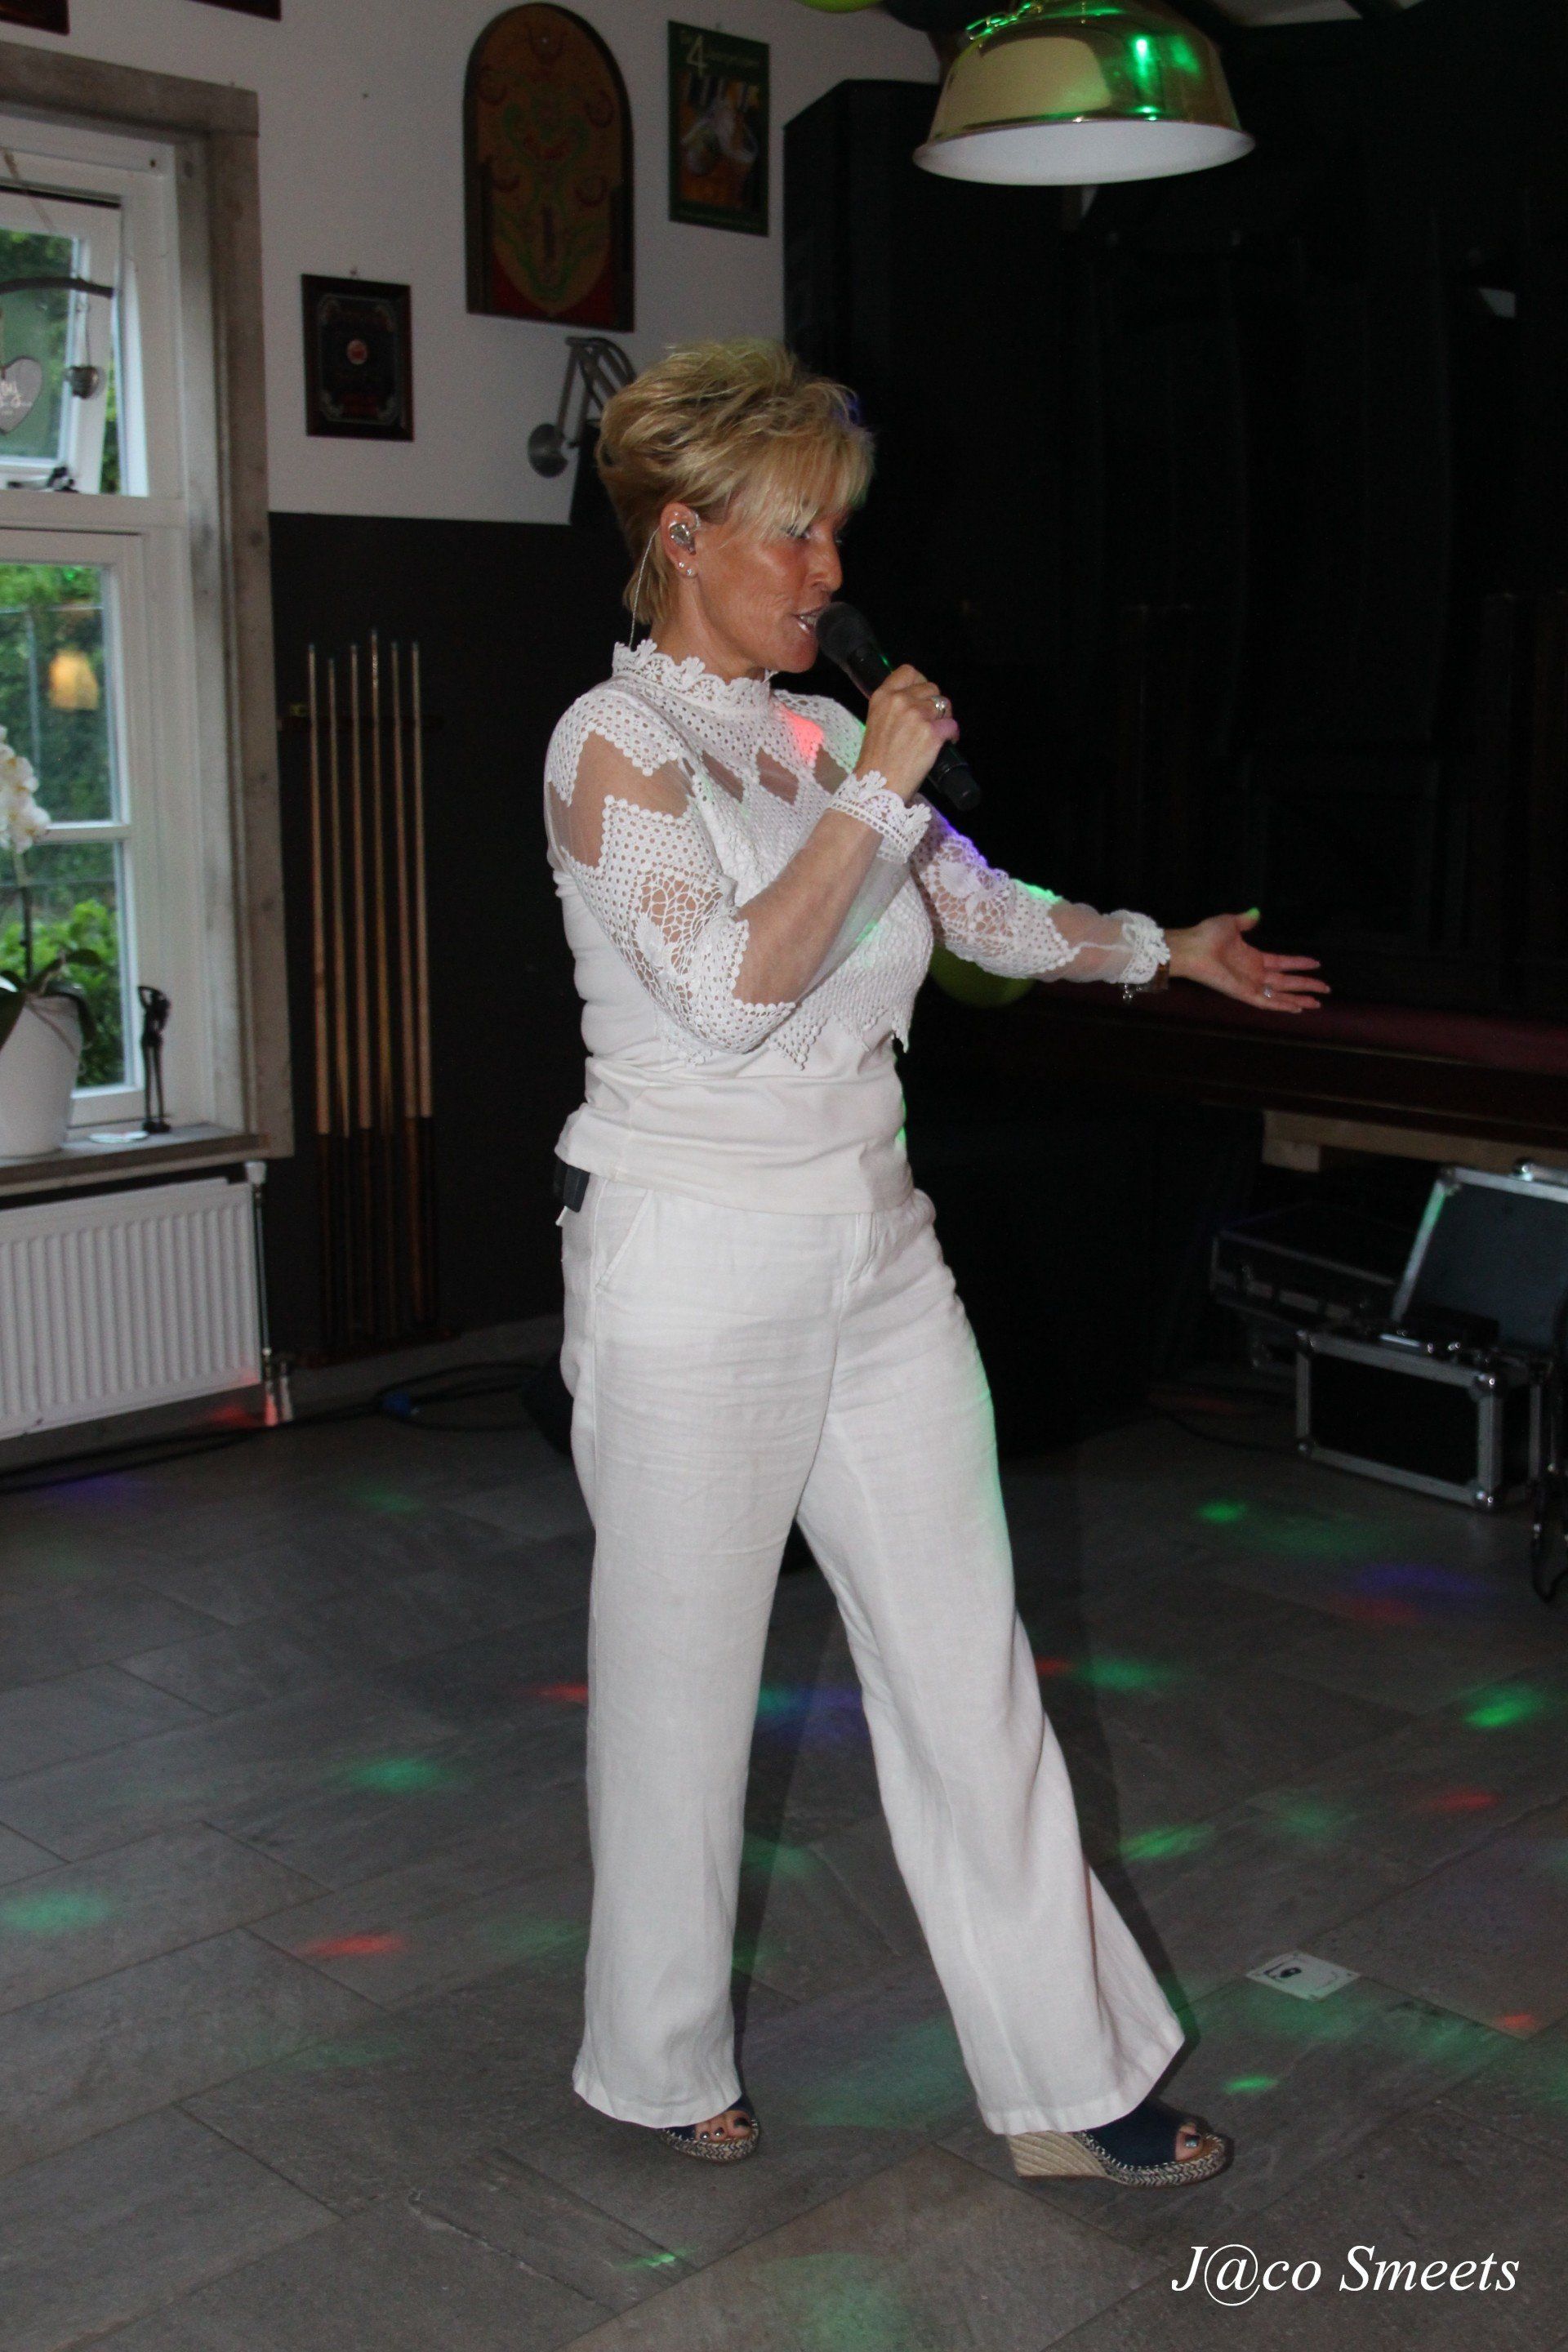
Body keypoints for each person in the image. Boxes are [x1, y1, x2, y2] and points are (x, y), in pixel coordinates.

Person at [543, 340, 1327, 2184]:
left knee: (971, 1675)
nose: (830, 571)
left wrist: (1160, 946)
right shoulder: (611, 743)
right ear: (683, 533)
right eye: (797, 533)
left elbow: (985, 913)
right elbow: (730, 988)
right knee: (677, 1695)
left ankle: (1071, 2081)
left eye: (837, 534)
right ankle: (656, 2061)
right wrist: (877, 793)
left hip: (880, 1252)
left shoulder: (820, 739)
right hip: (691, 1263)